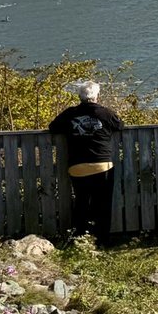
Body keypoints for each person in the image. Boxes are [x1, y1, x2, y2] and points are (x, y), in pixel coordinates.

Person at [47, 82, 125, 242]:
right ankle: (102, 239)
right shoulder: (105, 113)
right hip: (102, 165)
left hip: (78, 166)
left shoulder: (70, 113)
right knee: (103, 204)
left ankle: (80, 237)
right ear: (97, 96)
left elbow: (53, 127)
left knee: (81, 203)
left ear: (79, 97)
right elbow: (120, 125)